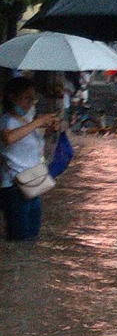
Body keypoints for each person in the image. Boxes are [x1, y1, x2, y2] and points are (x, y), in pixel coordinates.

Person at [0, 77, 60, 241]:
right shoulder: (6, 120)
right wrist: (38, 122)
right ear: (12, 97)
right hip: (14, 186)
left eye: (33, 98)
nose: (31, 102)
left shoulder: (25, 121)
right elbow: (9, 138)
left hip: (32, 184)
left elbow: (38, 149)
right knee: (19, 238)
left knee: (32, 237)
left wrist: (49, 132)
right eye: (27, 98)